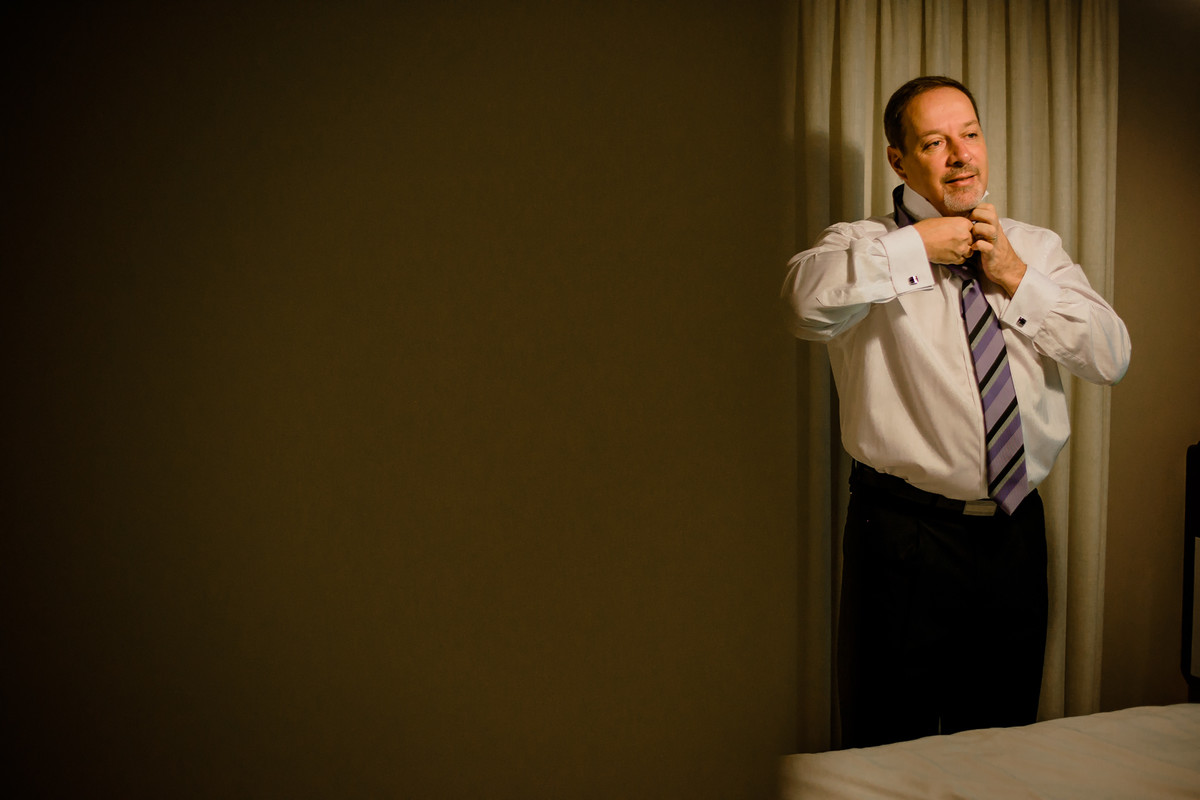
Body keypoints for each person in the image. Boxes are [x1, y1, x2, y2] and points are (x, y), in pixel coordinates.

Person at [780, 76, 1131, 748]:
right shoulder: (862, 246)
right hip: (901, 538)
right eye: (935, 142)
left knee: (1002, 745)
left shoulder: (1034, 248)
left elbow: (1111, 357)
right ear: (898, 160)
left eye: (970, 135)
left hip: (1016, 536)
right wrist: (917, 248)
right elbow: (801, 304)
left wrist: (1016, 277)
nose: (961, 155)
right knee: (887, 749)